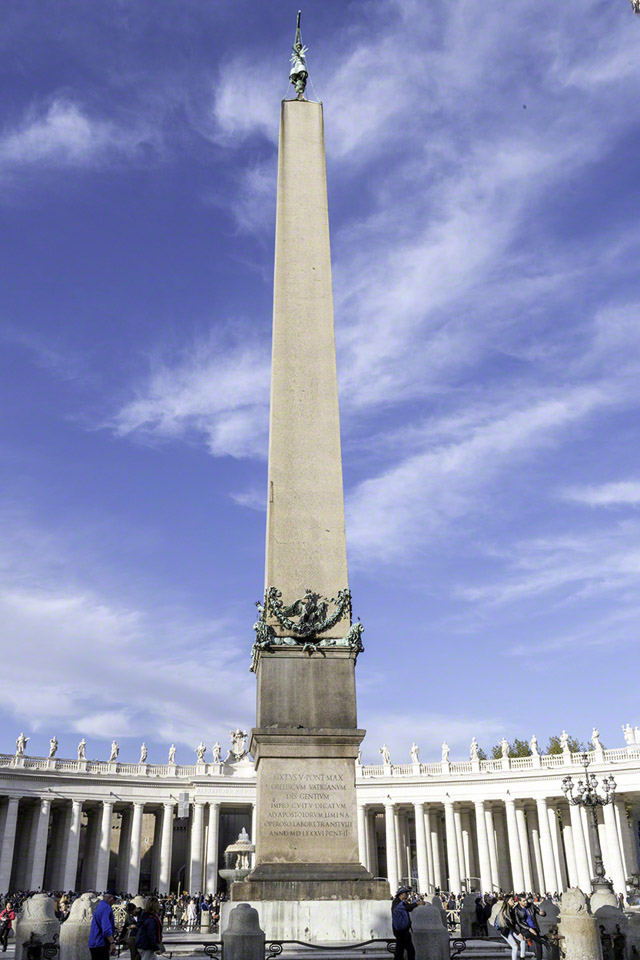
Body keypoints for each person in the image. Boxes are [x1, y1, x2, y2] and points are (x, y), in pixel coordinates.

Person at [494, 895, 526, 960]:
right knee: (515, 946)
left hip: (511, 930)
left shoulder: (511, 910)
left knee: (523, 940)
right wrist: (518, 933)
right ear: (507, 901)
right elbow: (508, 924)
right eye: (511, 900)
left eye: (513, 899)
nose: (513, 901)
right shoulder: (505, 911)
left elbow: (515, 922)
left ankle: (522, 957)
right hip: (506, 932)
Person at [88, 891, 117, 960]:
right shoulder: (106, 908)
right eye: (115, 899)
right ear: (110, 898)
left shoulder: (100, 905)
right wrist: (112, 943)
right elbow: (106, 928)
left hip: (94, 942)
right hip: (101, 943)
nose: (115, 901)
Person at [391, 886, 418, 960]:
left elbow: (408, 908)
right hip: (401, 931)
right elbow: (408, 908)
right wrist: (417, 904)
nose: (407, 895)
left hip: (402, 930)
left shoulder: (400, 902)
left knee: (402, 951)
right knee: (407, 951)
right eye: (406, 893)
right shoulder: (397, 903)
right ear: (401, 894)